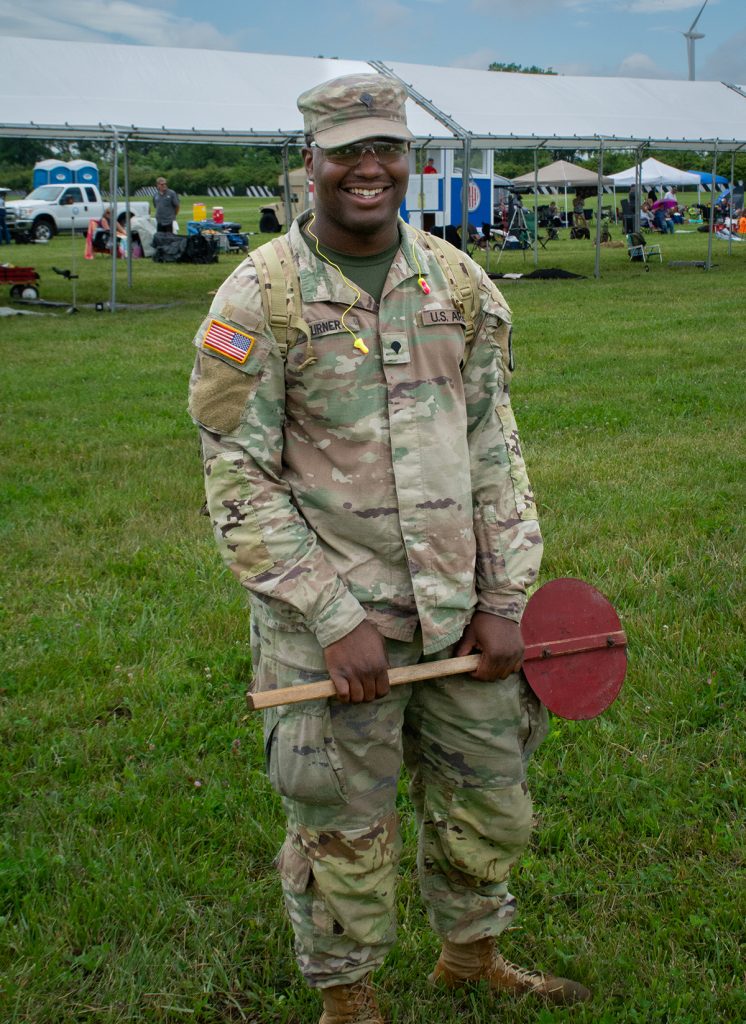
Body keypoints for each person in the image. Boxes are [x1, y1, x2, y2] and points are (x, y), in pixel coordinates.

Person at [188, 73, 590, 1024]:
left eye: (388, 150)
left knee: (488, 801)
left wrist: (503, 598)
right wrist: (332, 620)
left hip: (460, 614)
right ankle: (350, 1000)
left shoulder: (459, 283)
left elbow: (497, 451)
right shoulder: (259, 300)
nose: (369, 169)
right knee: (340, 829)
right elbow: (238, 482)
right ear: (310, 163)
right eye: (347, 152)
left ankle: (471, 955)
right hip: (332, 628)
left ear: (410, 159)